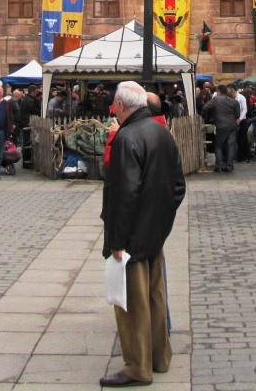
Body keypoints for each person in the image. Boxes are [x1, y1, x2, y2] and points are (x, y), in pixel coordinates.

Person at [100, 81, 186, 388]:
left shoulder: (126, 138)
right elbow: (178, 186)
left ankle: (137, 367)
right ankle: (159, 357)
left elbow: (125, 195)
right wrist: (161, 221)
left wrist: (117, 242)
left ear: (122, 106)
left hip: (132, 237)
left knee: (131, 305)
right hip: (154, 233)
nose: (113, 109)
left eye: (114, 104)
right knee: (155, 297)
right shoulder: (161, 132)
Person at [202, 85, 240, 173]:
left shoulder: (216, 99)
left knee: (218, 145)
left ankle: (219, 165)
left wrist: (206, 116)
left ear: (219, 91)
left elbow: (205, 107)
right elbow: (237, 115)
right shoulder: (234, 101)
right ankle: (229, 166)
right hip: (232, 125)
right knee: (230, 145)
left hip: (221, 125)